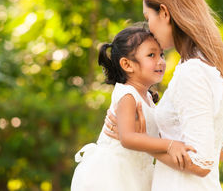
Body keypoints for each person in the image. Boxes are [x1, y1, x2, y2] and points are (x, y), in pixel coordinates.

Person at [104, 0, 223, 190]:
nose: (149, 29)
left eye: (149, 19)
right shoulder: (219, 67)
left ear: (165, 13)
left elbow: (200, 161)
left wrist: (140, 141)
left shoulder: (192, 72)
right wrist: (159, 138)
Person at [71, 26, 196, 191]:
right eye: (151, 55)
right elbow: (128, 138)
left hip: (137, 172)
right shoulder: (127, 95)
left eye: (161, 54)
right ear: (127, 64)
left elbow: (150, 134)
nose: (160, 61)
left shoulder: (148, 98)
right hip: (114, 173)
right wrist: (170, 145)